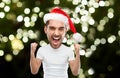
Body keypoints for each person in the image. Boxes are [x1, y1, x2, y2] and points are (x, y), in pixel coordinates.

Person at [30, 7, 82, 78]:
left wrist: (78, 53)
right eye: (52, 28)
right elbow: (34, 71)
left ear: (65, 30)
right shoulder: (42, 50)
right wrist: (32, 53)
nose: (56, 33)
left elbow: (75, 72)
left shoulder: (68, 51)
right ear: (45, 29)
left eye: (61, 29)